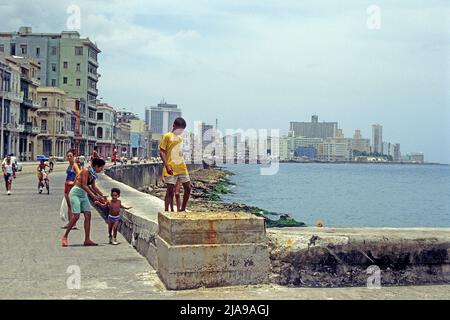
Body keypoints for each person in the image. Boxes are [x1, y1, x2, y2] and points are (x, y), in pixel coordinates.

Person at [61, 158, 106, 247]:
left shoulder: (93, 174)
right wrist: (93, 196)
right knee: (76, 216)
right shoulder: (86, 170)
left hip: (83, 195)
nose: (101, 170)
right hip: (76, 193)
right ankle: (65, 236)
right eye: (101, 168)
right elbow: (84, 185)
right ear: (96, 166)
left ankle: (87, 239)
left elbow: (93, 187)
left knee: (88, 215)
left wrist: (102, 195)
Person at [159, 117, 191, 212]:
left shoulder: (181, 138)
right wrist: (167, 165)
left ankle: (182, 209)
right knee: (170, 191)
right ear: (174, 126)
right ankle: (166, 211)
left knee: (188, 188)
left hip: (181, 166)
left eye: (182, 130)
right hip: (171, 166)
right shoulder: (167, 136)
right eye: (179, 129)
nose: (181, 131)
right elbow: (161, 151)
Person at [63, 149, 81, 230]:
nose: (69, 157)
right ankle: (70, 222)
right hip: (66, 186)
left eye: (71, 156)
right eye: (68, 156)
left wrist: (73, 183)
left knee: (73, 205)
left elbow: (79, 175)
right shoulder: (69, 165)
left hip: (71, 187)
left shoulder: (74, 165)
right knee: (69, 205)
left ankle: (73, 223)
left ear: (73, 157)